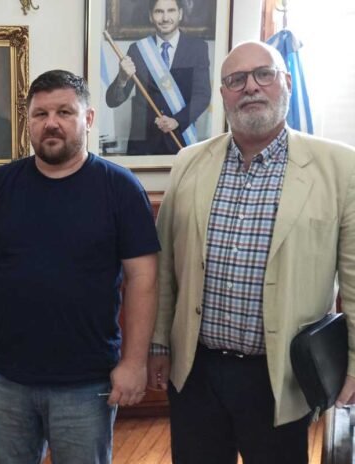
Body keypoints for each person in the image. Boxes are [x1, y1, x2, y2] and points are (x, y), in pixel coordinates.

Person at [150, 40, 355, 464]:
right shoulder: (188, 163)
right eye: (236, 79)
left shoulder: (341, 168)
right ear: (223, 93)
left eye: (264, 74)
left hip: (282, 376)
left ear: (287, 82)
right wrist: (158, 345)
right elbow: (165, 268)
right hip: (196, 372)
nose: (251, 87)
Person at [0, 69, 160, 463]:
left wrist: (135, 362)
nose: (51, 123)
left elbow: (143, 278)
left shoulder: (121, 189)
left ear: (88, 118)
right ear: (28, 121)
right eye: (40, 114)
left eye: (65, 112)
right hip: (4, 378)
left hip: (88, 382)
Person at [106, 0, 211, 155]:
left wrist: (177, 121)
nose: (165, 18)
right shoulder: (137, 50)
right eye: (159, 11)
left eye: (171, 11)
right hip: (144, 146)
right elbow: (112, 101)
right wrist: (122, 79)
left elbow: (202, 95)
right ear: (150, 16)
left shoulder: (197, 48)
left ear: (180, 14)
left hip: (180, 141)